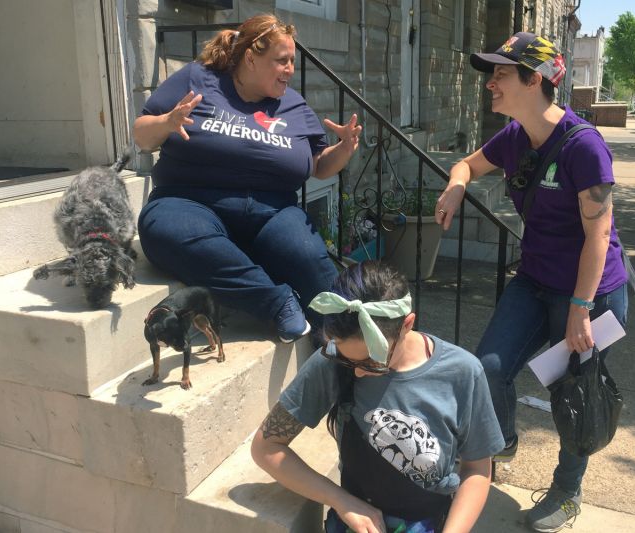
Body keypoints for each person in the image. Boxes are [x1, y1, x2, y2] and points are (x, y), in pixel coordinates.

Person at [435, 33, 629, 533]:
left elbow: (600, 235)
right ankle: (502, 441)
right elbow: (467, 164)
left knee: (574, 399)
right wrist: (457, 188)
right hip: (536, 280)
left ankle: (567, 491)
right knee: (487, 369)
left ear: (534, 80)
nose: (490, 84)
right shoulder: (516, 138)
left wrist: (580, 308)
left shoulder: (585, 147)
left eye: (500, 73)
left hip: (593, 294)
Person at [133, 14, 362, 343]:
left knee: (307, 257)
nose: (290, 70)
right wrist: (168, 121)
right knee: (168, 234)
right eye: (281, 61)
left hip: (273, 211)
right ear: (251, 59)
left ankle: (351, 349)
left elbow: (319, 166)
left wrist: (344, 149)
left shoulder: (292, 104)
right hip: (189, 201)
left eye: (292, 62)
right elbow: (142, 136)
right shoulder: (199, 79)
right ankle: (276, 302)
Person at [251, 261, 504, 533]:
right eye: (348, 360)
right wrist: (341, 501)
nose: (357, 373)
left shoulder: (462, 373)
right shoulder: (331, 363)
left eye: (372, 361)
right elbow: (266, 447)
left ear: (407, 325)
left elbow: (477, 469)